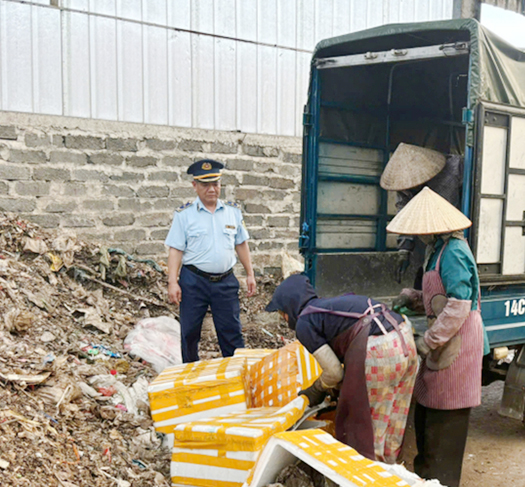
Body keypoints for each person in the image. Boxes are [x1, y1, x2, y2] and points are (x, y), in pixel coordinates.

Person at [387, 187, 488, 487]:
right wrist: (414, 298)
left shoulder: (454, 252)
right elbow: (439, 297)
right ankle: (427, 479)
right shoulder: (436, 250)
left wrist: (427, 341)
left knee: (446, 422)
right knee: (428, 413)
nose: (418, 236)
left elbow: (458, 306)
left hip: (457, 345)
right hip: (444, 342)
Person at [265, 275, 418, 464]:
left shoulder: (305, 322)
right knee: (395, 419)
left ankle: (371, 483)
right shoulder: (328, 306)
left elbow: (334, 372)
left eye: (282, 313)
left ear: (290, 306)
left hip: (381, 350)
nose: (284, 318)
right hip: (405, 337)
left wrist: (317, 388)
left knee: (371, 430)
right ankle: (394, 473)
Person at [165, 159, 256, 363]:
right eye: (205, 185)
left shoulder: (233, 212)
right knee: (189, 332)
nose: (212, 189)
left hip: (225, 281)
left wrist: (250, 274)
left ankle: (236, 374)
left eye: (215, 184)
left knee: (231, 332)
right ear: (195, 186)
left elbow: (241, 244)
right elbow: (176, 250)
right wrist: (173, 281)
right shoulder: (184, 215)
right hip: (193, 282)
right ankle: (190, 374)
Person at [380, 143, 464, 285]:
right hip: (428, 242)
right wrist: (404, 251)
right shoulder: (404, 187)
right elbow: (404, 214)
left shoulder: (455, 168)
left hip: (454, 235)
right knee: (425, 278)